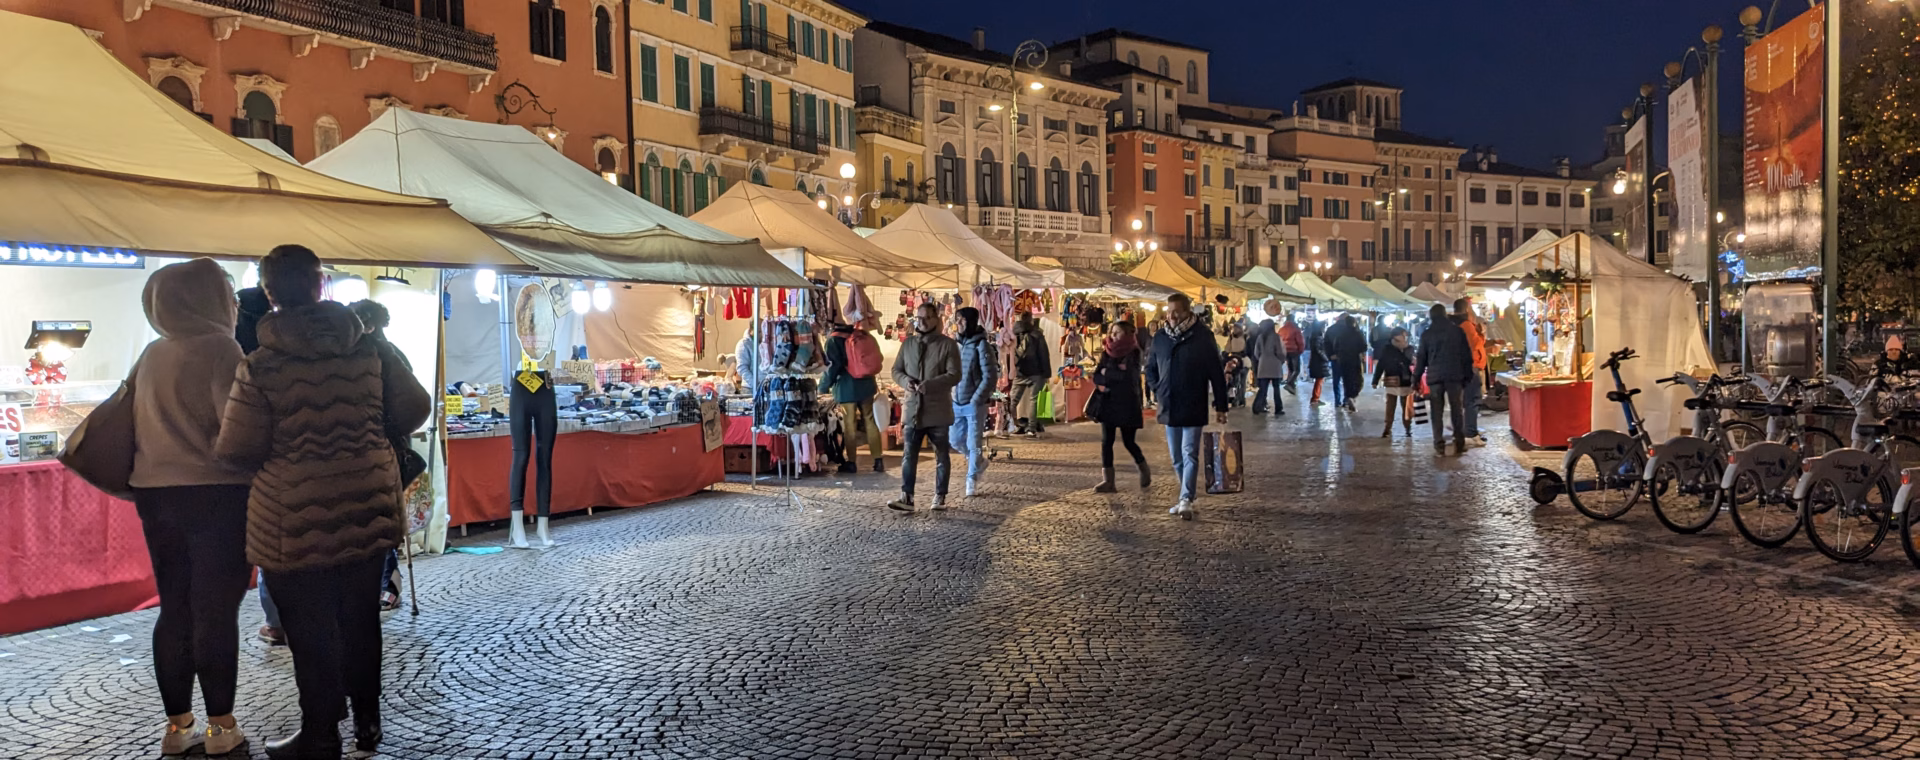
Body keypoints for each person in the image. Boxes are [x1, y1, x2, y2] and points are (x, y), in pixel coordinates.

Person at [216, 245, 431, 759]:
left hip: (295, 517)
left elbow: (237, 448)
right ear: (320, 286)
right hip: (366, 503)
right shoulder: (369, 350)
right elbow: (415, 407)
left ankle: (320, 734)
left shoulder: (261, 366)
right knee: (360, 618)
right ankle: (368, 724)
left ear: (268, 293)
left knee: (309, 629)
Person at [130, 258, 254, 757]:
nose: (233, 301)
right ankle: (221, 727)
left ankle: (177, 728)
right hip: (216, 494)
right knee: (215, 610)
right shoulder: (222, 348)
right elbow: (238, 428)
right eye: (226, 291)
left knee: (174, 607)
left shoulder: (151, 354)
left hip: (156, 496)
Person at [347, 300, 416, 614]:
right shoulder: (370, 355)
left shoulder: (386, 357)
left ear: (369, 325)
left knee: (379, 513)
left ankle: (390, 580)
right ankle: (383, 579)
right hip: (371, 447)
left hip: (385, 447)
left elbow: (412, 403)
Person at [1145, 293, 1230, 519]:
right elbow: (1150, 367)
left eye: (1176, 311)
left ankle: (1185, 498)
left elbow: (1216, 373)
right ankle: (1188, 495)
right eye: (1169, 311)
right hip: (1168, 403)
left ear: (1187, 312)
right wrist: (1158, 388)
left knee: (1189, 452)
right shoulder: (1161, 337)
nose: (1171, 316)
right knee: (1176, 456)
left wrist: (1221, 406)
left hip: (1193, 402)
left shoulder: (1202, 337)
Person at [236, 285, 287, 648]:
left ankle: (278, 622)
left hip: (265, 472)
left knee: (274, 547)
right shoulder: (318, 351)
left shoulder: (244, 361)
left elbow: (235, 439)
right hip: (318, 476)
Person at [887, 302, 961, 512]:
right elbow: (896, 370)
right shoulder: (908, 344)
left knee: (941, 455)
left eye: (927, 317)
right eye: (919, 318)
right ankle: (907, 497)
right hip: (912, 409)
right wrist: (905, 381)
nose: (923, 321)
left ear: (936, 319)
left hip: (937, 409)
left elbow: (954, 374)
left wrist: (932, 385)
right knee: (909, 454)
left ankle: (940, 496)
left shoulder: (948, 345)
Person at [1091, 320, 1151, 493]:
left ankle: (1143, 469)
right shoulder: (1107, 352)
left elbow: (1129, 378)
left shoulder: (1133, 352)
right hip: (1108, 402)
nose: (1114, 336)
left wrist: (1107, 373)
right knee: (1106, 442)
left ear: (1127, 334)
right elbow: (1097, 375)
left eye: (1118, 333)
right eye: (1113, 332)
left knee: (1129, 441)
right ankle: (1108, 481)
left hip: (1127, 403)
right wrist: (1111, 373)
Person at [821, 323, 884, 474]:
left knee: (849, 425)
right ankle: (878, 460)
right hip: (867, 384)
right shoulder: (863, 336)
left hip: (846, 387)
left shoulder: (833, 340)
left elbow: (833, 367)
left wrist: (823, 386)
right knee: (870, 420)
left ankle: (851, 462)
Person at [1414, 303, 1475, 456]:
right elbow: (1466, 356)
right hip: (1455, 376)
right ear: (1445, 314)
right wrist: (1468, 375)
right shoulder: (1457, 331)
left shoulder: (1427, 334)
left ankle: (1439, 444)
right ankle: (1459, 443)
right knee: (1457, 410)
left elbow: (1421, 358)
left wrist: (1416, 379)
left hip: (1435, 377)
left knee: (1436, 411)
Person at [950, 307, 999, 497]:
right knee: (954, 439)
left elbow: (990, 376)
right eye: (957, 320)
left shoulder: (982, 345)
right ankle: (978, 461)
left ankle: (971, 479)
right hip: (956, 401)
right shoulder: (955, 345)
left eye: (962, 320)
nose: (959, 324)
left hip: (975, 403)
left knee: (974, 441)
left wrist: (976, 399)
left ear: (970, 321)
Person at [1008, 312, 1052, 436]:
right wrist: (1046, 373)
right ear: (1031, 320)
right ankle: (1031, 428)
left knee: (1012, 400)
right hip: (1036, 373)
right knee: (1034, 400)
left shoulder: (1013, 334)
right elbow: (1044, 355)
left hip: (1019, 372)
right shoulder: (1037, 335)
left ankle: (1013, 425)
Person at [1454, 297, 1489, 447]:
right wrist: (1482, 333)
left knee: (1467, 401)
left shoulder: (1456, 324)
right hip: (1471, 366)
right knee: (1472, 400)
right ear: (1467, 309)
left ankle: (1468, 429)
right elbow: (1474, 344)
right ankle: (1470, 433)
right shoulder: (1467, 325)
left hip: (1463, 366)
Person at [1372, 327, 1417, 438]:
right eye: (1403, 335)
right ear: (1396, 336)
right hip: (1392, 380)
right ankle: (1387, 428)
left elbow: (1414, 364)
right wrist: (1375, 380)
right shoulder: (1387, 348)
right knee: (1390, 406)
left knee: (1405, 406)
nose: (1404, 337)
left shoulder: (1409, 348)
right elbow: (1381, 364)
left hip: (1406, 381)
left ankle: (1407, 427)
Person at [1326, 315, 1369, 412]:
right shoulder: (1357, 333)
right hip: (1354, 359)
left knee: (1345, 380)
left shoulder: (1339, 333)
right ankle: (1350, 397)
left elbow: (1334, 345)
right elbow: (1364, 347)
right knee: (1357, 379)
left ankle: (1340, 400)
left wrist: (1334, 354)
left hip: (1342, 360)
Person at [1249, 316, 1287, 417]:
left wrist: (1262, 359)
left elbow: (1256, 353)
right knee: (1276, 389)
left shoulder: (1260, 337)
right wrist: (1282, 359)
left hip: (1263, 365)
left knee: (1263, 388)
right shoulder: (1276, 337)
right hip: (1275, 365)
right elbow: (1280, 352)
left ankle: (1257, 407)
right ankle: (1278, 409)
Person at [1221, 321, 1249, 408]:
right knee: (1235, 381)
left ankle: (1241, 400)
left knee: (1242, 382)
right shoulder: (1231, 337)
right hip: (1234, 361)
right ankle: (1236, 400)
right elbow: (1227, 348)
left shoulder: (1245, 337)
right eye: (1234, 328)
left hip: (1244, 361)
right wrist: (1225, 354)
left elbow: (1248, 349)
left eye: (1237, 328)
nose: (1235, 329)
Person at [1305, 315, 1330, 405]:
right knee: (1319, 380)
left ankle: (1316, 397)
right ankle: (1315, 398)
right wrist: (1326, 358)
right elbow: (1318, 350)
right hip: (1318, 362)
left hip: (1316, 362)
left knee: (1319, 380)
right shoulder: (1318, 338)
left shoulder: (1314, 337)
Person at [1279, 314, 1306, 392]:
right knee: (1296, 369)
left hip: (1284, 351)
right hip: (1294, 351)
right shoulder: (1295, 329)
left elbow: (1279, 341)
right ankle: (1289, 383)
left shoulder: (1282, 329)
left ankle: (1291, 384)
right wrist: (1300, 350)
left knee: (1290, 368)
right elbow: (1300, 341)